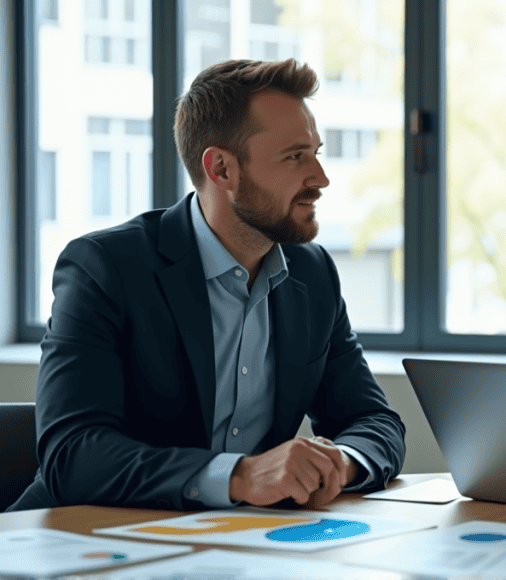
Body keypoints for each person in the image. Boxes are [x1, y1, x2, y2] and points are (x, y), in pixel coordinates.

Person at [8, 59, 406, 512]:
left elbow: (373, 419)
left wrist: (338, 462)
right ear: (221, 169)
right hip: (80, 544)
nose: (320, 177)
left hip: (236, 545)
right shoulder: (105, 268)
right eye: (296, 156)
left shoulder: (312, 275)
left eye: (316, 152)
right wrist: (239, 477)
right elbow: (72, 456)